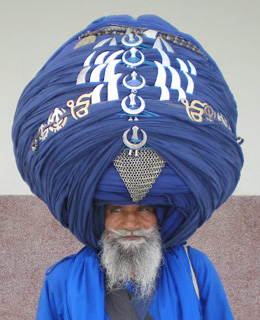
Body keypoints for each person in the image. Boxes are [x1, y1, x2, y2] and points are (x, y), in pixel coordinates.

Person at [12, 15, 243, 319]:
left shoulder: (195, 270)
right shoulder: (62, 280)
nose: (130, 224)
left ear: (159, 216)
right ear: (99, 218)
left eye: (143, 210)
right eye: (116, 210)